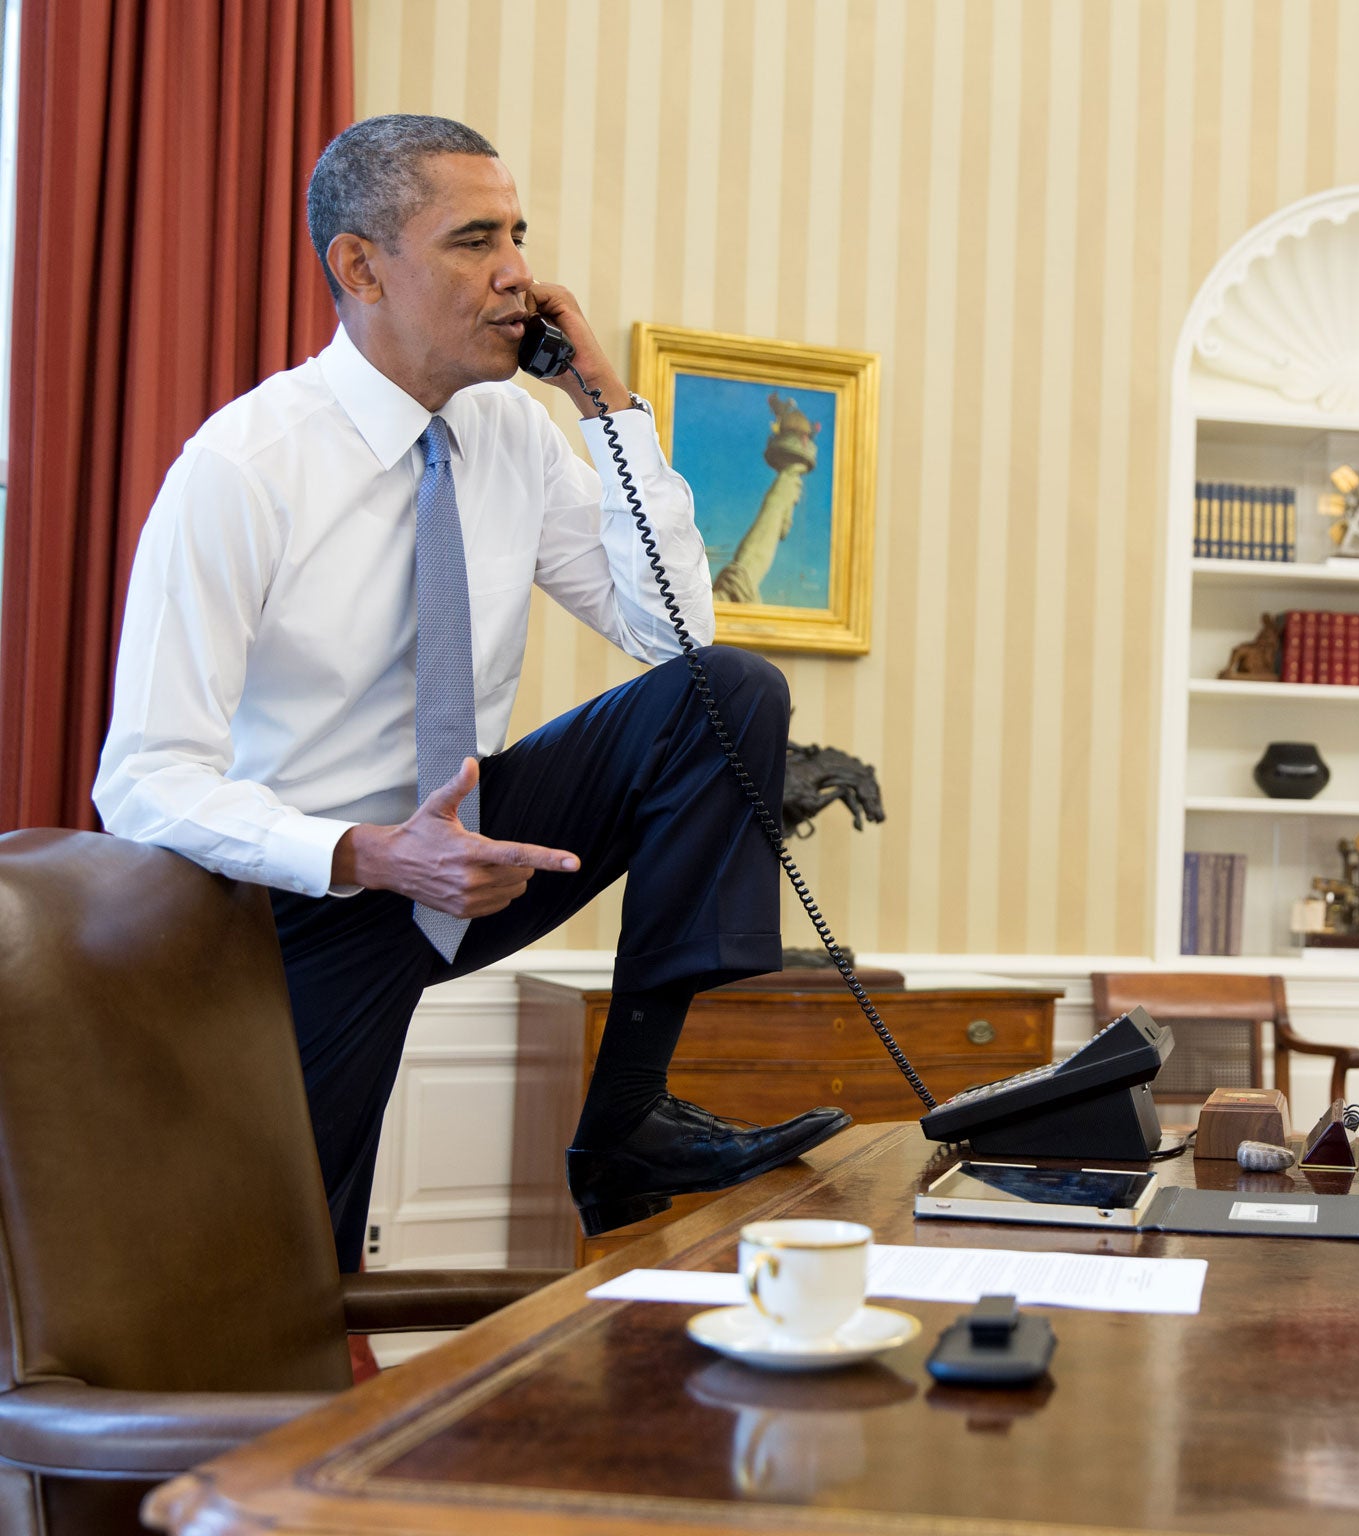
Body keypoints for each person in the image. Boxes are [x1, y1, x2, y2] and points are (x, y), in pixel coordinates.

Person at [94, 114, 849, 1259]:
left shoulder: (512, 432)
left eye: (519, 234)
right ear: (360, 268)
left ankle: (628, 1119)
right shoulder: (242, 471)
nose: (518, 275)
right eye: (472, 240)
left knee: (723, 693)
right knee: (285, 1265)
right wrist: (369, 851)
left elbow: (675, 631)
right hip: (294, 910)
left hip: (474, 856)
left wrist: (612, 415)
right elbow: (143, 780)